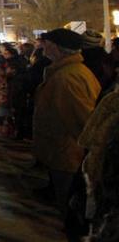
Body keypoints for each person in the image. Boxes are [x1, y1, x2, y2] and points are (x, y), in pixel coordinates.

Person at [33, 28, 101, 226]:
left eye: (46, 43)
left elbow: (85, 122)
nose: (42, 47)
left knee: (72, 214)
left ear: (56, 47)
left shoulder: (67, 78)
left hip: (69, 156)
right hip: (64, 154)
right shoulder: (64, 72)